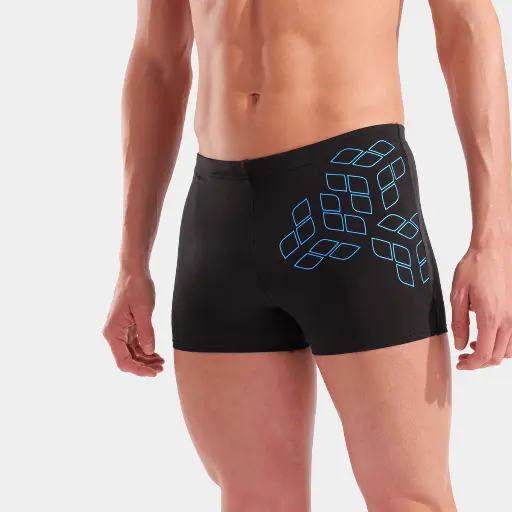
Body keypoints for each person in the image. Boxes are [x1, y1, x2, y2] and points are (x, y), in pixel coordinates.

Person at [103, 0, 511, 510]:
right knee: (254, 500)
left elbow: (466, 21)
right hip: (218, 212)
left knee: (410, 498)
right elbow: (157, 62)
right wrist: (132, 261)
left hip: (352, 191)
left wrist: (494, 242)